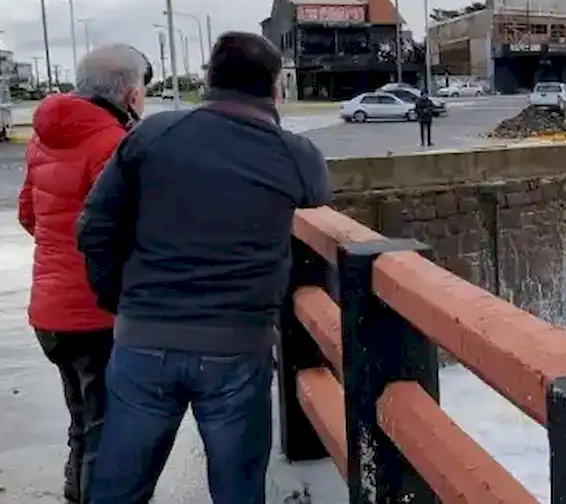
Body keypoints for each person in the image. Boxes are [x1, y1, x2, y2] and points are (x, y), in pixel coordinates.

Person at [80, 31, 331, 503]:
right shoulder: (297, 154)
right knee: (238, 490)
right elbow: (318, 200)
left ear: (209, 80)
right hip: (238, 344)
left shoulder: (153, 135)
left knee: (118, 488)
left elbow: (94, 228)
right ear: (275, 88)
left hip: (145, 338)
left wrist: (122, 301)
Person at [17, 44, 151, 504]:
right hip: (95, 311)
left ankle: (77, 490)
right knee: (106, 427)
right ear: (130, 94)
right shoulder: (116, 144)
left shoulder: (44, 138)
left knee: (82, 416)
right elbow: (130, 230)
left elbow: (28, 215)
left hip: (49, 311)